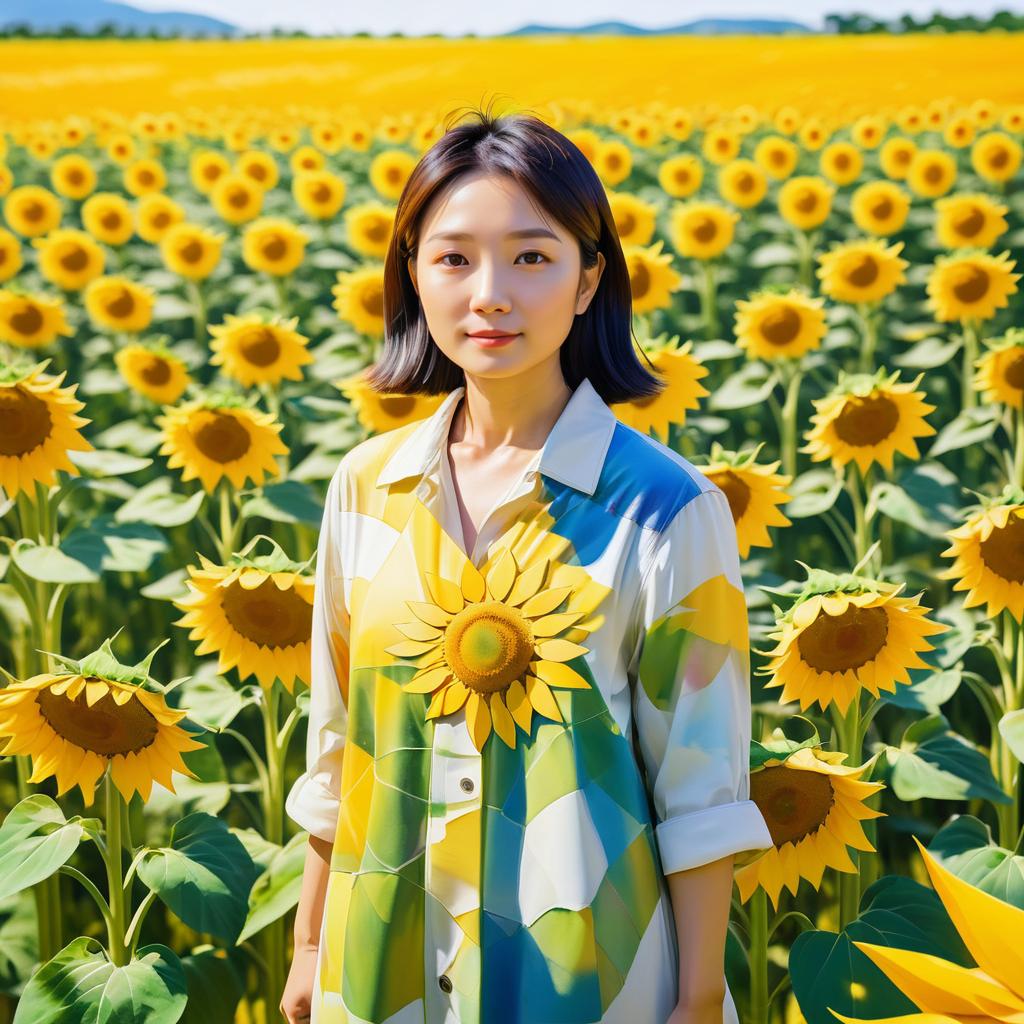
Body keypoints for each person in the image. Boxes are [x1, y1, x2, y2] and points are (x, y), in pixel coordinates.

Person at [281, 104, 773, 1024]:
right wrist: (310, 947)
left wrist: (701, 995)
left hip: (591, 975)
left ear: (590, 280)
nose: (490, 294)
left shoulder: (667, 507)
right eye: (454, 257)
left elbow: (700, 786)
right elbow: (340, 743)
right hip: (380, 963)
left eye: (533, 257)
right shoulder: (364, 486)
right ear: (414, 278)